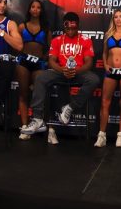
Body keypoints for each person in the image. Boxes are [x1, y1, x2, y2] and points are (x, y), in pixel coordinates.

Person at [22, 12, 99, 145]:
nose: (70, 31)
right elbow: (51, 61)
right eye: (67, 28)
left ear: (78, 26)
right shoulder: (57, 40)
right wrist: (62, 70)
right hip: (61, 71)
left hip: (78, 72)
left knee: (94, 79)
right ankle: (38, 119)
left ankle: (70, 107)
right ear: (64, 27)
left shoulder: (85, 40)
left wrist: (75, 71)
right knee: (40, 77)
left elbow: (88, 63)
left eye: (73, 28)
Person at [15, 0, 51, 141]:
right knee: (23, 94)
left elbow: (50, 49)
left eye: (38, 7)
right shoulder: (22, 26)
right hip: (23, 63)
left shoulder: (46, 29)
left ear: (41, 10)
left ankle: (35, 123)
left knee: (38, 94)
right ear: (29, 10)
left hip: (39, 64)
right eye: (33, 7)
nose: (35, 9)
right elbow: (16, 44)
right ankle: (24, 127)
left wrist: (44, 58)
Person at [95, 9, 121, 148]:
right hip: (110, 72)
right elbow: (104, 53)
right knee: (105, 102)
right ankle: (102, 135)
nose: (118, 19)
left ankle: (120, 135)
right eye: (115, 17)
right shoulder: (108, 34)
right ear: (113, 19)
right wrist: (105, 64)